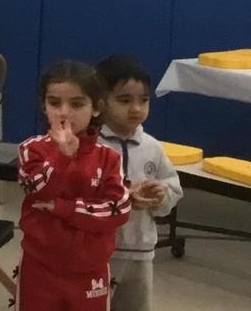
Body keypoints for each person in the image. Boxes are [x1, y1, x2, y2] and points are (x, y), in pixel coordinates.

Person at [18, 61, 132, 311]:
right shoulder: (31, 149)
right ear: (44, 105)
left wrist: (64, 208)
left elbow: (118, 209)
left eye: (77, 104)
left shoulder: (109, 157)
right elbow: (36, 189)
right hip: (40, 266)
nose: (64, 113)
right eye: (54, 103)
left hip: (90, 269)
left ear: (96, 108)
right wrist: (62, 157)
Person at [97, 55, 183, 311]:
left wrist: (161, 195)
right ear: (100, 103)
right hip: (99, 251)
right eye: (124, 100)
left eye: (143, 100)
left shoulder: (152, 147)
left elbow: (173, 186)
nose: (136, 108)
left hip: (140, 251)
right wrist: (122, 197)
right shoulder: (92, 146)